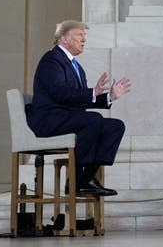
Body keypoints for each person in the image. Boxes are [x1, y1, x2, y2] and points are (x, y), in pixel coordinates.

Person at [27, 20, 131, 195]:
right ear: (64, 38)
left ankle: (83, 179)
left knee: (115, 126)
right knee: (93, 120)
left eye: (85, 36)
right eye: (79, 35)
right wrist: (92, 91)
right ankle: (77, 180)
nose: (84, 40)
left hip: (68, 118)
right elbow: (60, 93)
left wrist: (109, 96)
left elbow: (80, 99)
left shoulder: (77, 67)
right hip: (49, 120)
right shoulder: (51, 60)